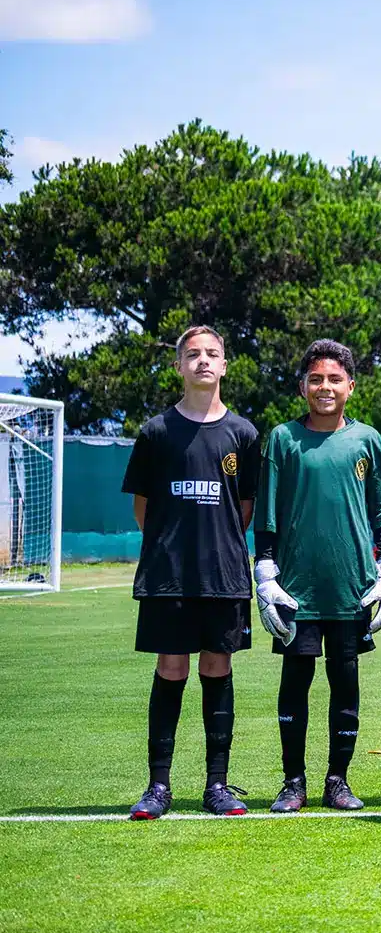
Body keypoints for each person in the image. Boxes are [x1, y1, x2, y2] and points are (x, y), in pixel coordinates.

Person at [253, 339, 381, 813]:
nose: (325, 387)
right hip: (296, 588)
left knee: (345, 681)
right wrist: (266, 573)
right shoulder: (282, 438)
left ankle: (338, 780)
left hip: (351, 587)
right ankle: (292, 782)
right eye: (316, 379)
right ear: (302, 386)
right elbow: (267, 511)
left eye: (335, 379)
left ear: (350, 386)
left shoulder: (368, 440)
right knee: (295, 681)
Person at [122, 326, 259, 819]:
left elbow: (244, 509)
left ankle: (216, 785)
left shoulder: (244, 434)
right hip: (169, 576)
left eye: (212, 353)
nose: (203, 360)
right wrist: (172, 547)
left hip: (223, 575)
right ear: (179, 365)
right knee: (171, 668)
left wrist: (214, 544)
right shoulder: (156, 432)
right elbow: (143, 508)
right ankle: (158, 786)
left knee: (217, 668)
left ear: (224, 365)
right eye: (193, 354)